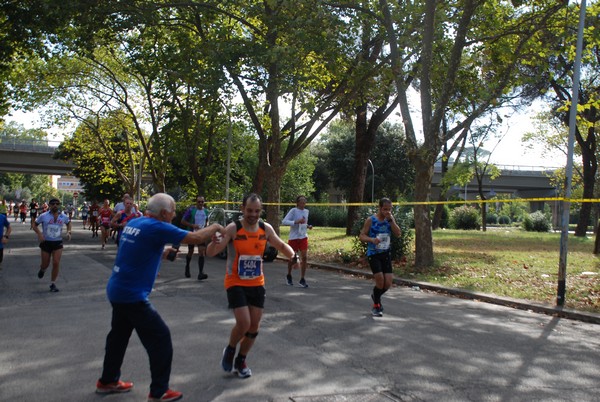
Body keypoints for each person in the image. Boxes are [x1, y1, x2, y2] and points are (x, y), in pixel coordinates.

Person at [95, 192, 224, 401]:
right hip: (132, 295)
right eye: (172, 212)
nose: (173, 216)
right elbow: (197, 237)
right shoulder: (158, 226)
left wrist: (162, 253)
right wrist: (217, 227)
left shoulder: (136, 223)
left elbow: (138, 248)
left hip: (117, 289)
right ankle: (159, 391)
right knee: (160, 338)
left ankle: (107, 380)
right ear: (164, 213)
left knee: (118, 337)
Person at [206, 193, 299, 378]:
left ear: (261, 211)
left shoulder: (265, 229)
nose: (253, 214)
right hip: (235, 282)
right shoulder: (233, 229)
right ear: (242, 209)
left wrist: (293, 256)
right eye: (249, 210)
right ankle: (231, 349)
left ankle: (241, 359)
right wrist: (212, 243)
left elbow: (281, 245)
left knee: (254, 327)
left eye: (257, 211)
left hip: (257, 282)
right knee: (244, 322)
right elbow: (212, 252)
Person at [359, 197, 401, 317]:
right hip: (374, 254)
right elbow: (362, 236)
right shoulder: (371, 220)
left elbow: (398, 234)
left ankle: (375, 295)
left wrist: (392, 221)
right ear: (379, 208)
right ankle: (376, 306)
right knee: (380, 280)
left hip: (386, 253)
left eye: (389, 209)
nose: (387, 212)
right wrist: (371, 239)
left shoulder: (390, 219)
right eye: (385, 209)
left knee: (387, 283)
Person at [33, 198, 72, 292]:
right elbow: (34, 225)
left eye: (57, 204)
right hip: (46, 243)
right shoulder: (43, 216)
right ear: (49, 205)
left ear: (59, 205)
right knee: (45, 264)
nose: (55, 205)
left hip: (58, 242)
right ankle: (42, 270)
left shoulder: (63, 216)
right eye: (53, 204)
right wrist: (39, 234)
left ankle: (52, 283)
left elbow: (68, 223)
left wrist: (69, 232)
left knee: (56, 262)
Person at [282, 195, 313, 288]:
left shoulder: (306, 211)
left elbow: (304, 223)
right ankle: (289, 275)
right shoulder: (293, 211)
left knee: (304, 257)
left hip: (303, 236)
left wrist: (308, 226)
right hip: (294, 237)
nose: (304, 203)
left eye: (305, 202)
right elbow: (284, 221)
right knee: (293, 258)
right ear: (298, 202)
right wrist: (295, 221)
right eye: (302, 202)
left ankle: (302, 279)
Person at [180, 195, 208, 280]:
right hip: (192, 234)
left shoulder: (206, 211)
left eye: (202, 202)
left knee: (201, 252)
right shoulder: (191, 210)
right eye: (199, 202)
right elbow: (183, 221)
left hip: (201, 234)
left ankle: (200, 273)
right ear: (196, 202)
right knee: (191, 251)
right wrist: (192, 225)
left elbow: (206, 221)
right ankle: (187, 267)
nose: (200, 203)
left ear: (204, 202)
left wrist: (206, 228)